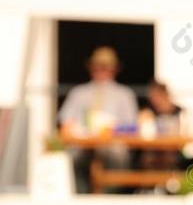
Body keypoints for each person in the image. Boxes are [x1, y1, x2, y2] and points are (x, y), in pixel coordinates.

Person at [58, 46, 138, 193]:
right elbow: (65, 124)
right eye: (97, 67)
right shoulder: (78, 93)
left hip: (113, 146)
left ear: (114, 69)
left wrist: (111, 130)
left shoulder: (124, 95)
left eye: (105, 67)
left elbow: (132, 127)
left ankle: (110, 197)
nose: (100, 71)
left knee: (117, 159)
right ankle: (81, 197)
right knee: (73, 159)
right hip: (82, 146)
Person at [137, 80, 183, 170]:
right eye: (152, 96)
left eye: (156, 96)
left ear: (165, 95)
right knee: (148, 157)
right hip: (153, 151)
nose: (153, 99)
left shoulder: (180, 112)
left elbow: (183, 133)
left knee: (167, 156)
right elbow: (141, 131)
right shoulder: (148, 112)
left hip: (173, 151)